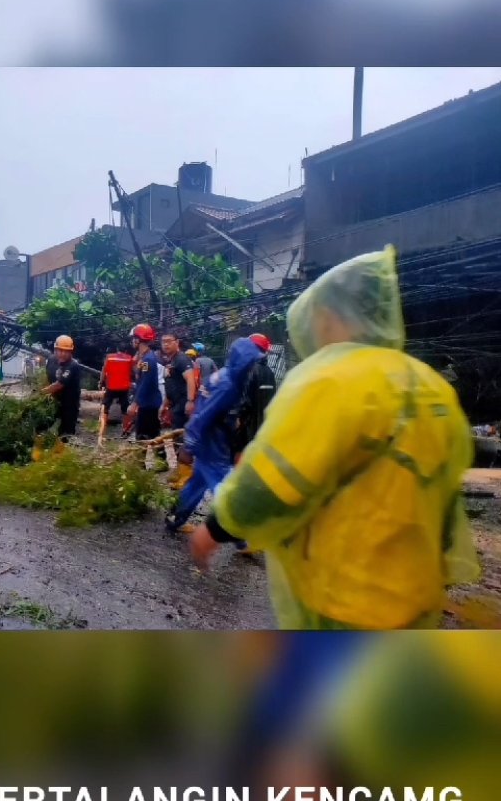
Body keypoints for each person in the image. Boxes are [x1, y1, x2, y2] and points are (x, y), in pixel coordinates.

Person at [190, 246, 479, 629]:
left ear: (333, 318)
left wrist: (213, 531)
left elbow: (270, 485)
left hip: (346, 599)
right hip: (418, 601)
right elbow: (444, 499)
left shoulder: (332, 380)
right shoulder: (431, 386)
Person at [166, 336, 261, 535]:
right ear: (242, 362)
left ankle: (176, 517)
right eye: (251, 362)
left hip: (210, 439)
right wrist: (189, 445)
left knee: (198, 482)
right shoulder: (228, 385)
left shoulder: (223, 376)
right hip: (213, 442)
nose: (253, 366)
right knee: (224, 488)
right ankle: (241, 536)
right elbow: (204, 414)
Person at [231, 333, 278, 455]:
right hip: (265, 429)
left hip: (248, 429)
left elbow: (245, 402)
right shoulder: (269, 372)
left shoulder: (248, 370)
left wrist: (238, 417)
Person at [126, 324, 162, 441]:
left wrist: (134, 403)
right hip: (147, 404)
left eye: (133, 338)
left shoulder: (148, 360)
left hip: (148, 406)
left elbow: (145, 383)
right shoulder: (144, 357)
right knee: (148, 437)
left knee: (146, 438)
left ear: (138, 339)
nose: (132, 341)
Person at [43, 335, 82, 438]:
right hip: (54, 400)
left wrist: (40, 392)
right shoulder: (51, 360)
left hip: (69, 403)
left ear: (71, 352)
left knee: (66, 433)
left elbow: (59, 385)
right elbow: (46, 376)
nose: (63, 353)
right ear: (55, 350)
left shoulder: (73, 365)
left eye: (66, 351)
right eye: (60, 350)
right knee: (44, 425)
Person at [99, 345, 133, 427]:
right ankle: (125, 428)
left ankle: (103, 426)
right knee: (125, 408)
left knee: (105, 406)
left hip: (111, 386)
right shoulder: (129, 358)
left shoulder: (109, 357)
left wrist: (101, 382)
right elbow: (133, 371)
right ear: (125, 350)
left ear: (117, 349)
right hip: (124, 388)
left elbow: (104, 370)